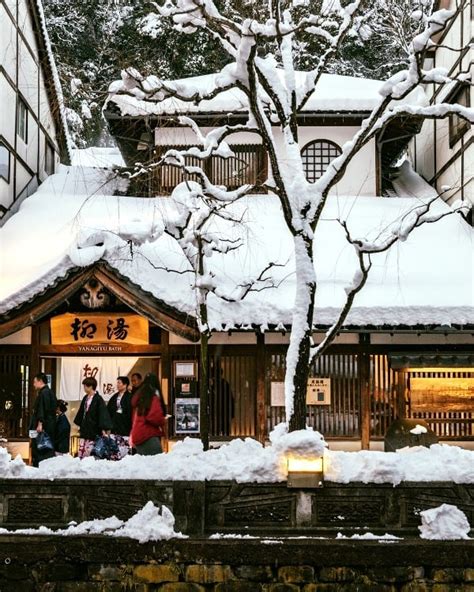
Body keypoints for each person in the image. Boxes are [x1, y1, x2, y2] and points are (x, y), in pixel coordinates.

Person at [74, 377, 112, 459]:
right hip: (85, 427)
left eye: (85, 386)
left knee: (91, 451)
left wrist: (103, 429)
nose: (84, 388)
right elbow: (81, 412)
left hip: (94, 429)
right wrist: (79, 425)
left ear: (91, 386)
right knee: (82, 449)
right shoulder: (85, 398)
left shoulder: (98, 399)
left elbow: (102, 415)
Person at [131, 373, 165, 455]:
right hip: (148, 435)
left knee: (143, 464)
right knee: (157, 461)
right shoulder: (153, 397)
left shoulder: (140, 397)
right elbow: (154, 416)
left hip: (137, 434)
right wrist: (163, 420)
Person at [30, 373, 57, 467]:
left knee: (40, 447)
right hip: (48, 424)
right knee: (45, 447)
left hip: (43, 425)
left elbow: (43, 409)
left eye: (35, 382)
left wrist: (40, 423)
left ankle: (39, 465)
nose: (33, 384)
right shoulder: (49, 392)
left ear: (40, 381)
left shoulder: (44, 393)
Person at [107, 376, 132, 459]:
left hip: (125, 426)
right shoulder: (114, 397)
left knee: (124, 451)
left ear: (125, 385)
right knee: (113, 450)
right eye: (117, 383)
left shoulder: (130, 397)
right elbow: (108, 411)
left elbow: (131, 412)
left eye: (119, 383)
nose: (117, 385)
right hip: (114, 426)